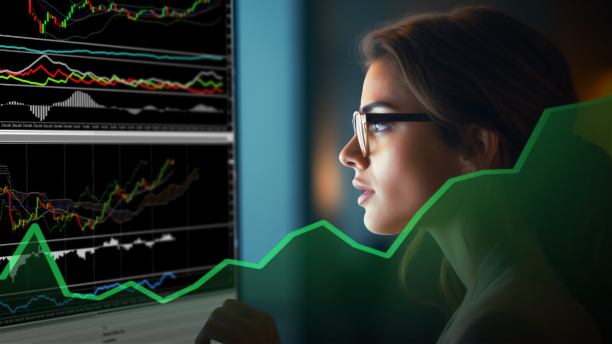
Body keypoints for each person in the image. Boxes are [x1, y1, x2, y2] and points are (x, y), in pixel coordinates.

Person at [195, 6, 610, 344]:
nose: (348, 153)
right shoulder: (505, 299)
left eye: (378, 125)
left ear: (475, 146)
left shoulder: (503, 325)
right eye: (359, 124)